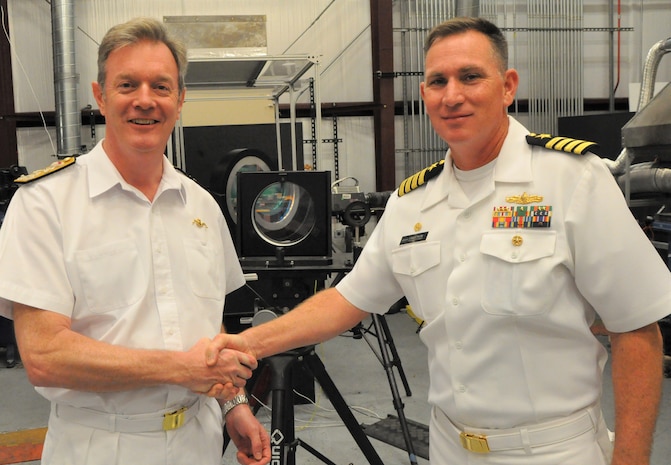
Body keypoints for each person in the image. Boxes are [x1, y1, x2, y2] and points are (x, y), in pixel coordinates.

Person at [214, 16, 671, 465]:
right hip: (449, 445)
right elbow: (347, 300)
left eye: (470, 76)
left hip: (551, 450)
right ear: (424, 95)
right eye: (438, 81)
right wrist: (248, 343)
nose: (453, 95)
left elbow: (636, 329)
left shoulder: (573, 181)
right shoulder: (413, 203)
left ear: (508, 85)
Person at [0, 17, 269, 465]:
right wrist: (183, 369)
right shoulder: (46, 204)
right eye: (128, 84)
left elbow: (208, 328)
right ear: (100, 96)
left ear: (180, 100)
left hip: (197, 442)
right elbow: (45, 356)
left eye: (161, 87)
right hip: (99, 446)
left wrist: (232, 404)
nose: (145, 100)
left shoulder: (200, 205)